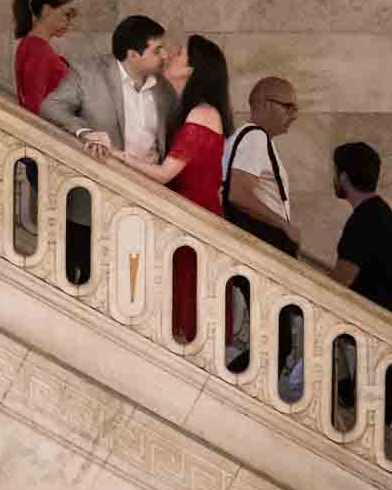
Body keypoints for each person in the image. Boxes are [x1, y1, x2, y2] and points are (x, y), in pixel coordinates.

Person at [40, 13, 177, 287]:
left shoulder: (164, 89)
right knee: (86, 278)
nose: (166, 55)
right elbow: (51, 106)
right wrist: (85, 131)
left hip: (145, 199)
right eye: (157, 49)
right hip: (92, 199)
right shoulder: (88, 73)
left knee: (133, 284)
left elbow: (170, 141)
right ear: (133, 54)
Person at [122, 34, 231, 351]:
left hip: (195, 225)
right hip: (189, 222)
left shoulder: (202, 113)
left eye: (180, 53)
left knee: (188, 311)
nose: (169, 55)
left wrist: (120, 156)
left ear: (194, 69)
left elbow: (165, 174)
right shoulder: (195, 110)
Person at [223, 76, 301, 257]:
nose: (294, 115)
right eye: (288, 107)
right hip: (263, 247)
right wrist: (284, 225)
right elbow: (238, 194)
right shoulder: (255, 138)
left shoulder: (248, 137)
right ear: (266, 104)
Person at [330, 141, 392, 315]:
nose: (333, 179)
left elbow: (341, 280)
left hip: (376, 319)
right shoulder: (380, 211)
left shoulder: (364, 219)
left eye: (335, 172)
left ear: (343, 177)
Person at [12, 0, 79, 115]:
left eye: (73, 16)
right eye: (67, 14)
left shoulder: (33, 45)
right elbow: (35, 108)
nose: (70, 22)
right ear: (47, 9)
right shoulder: (37, 50)